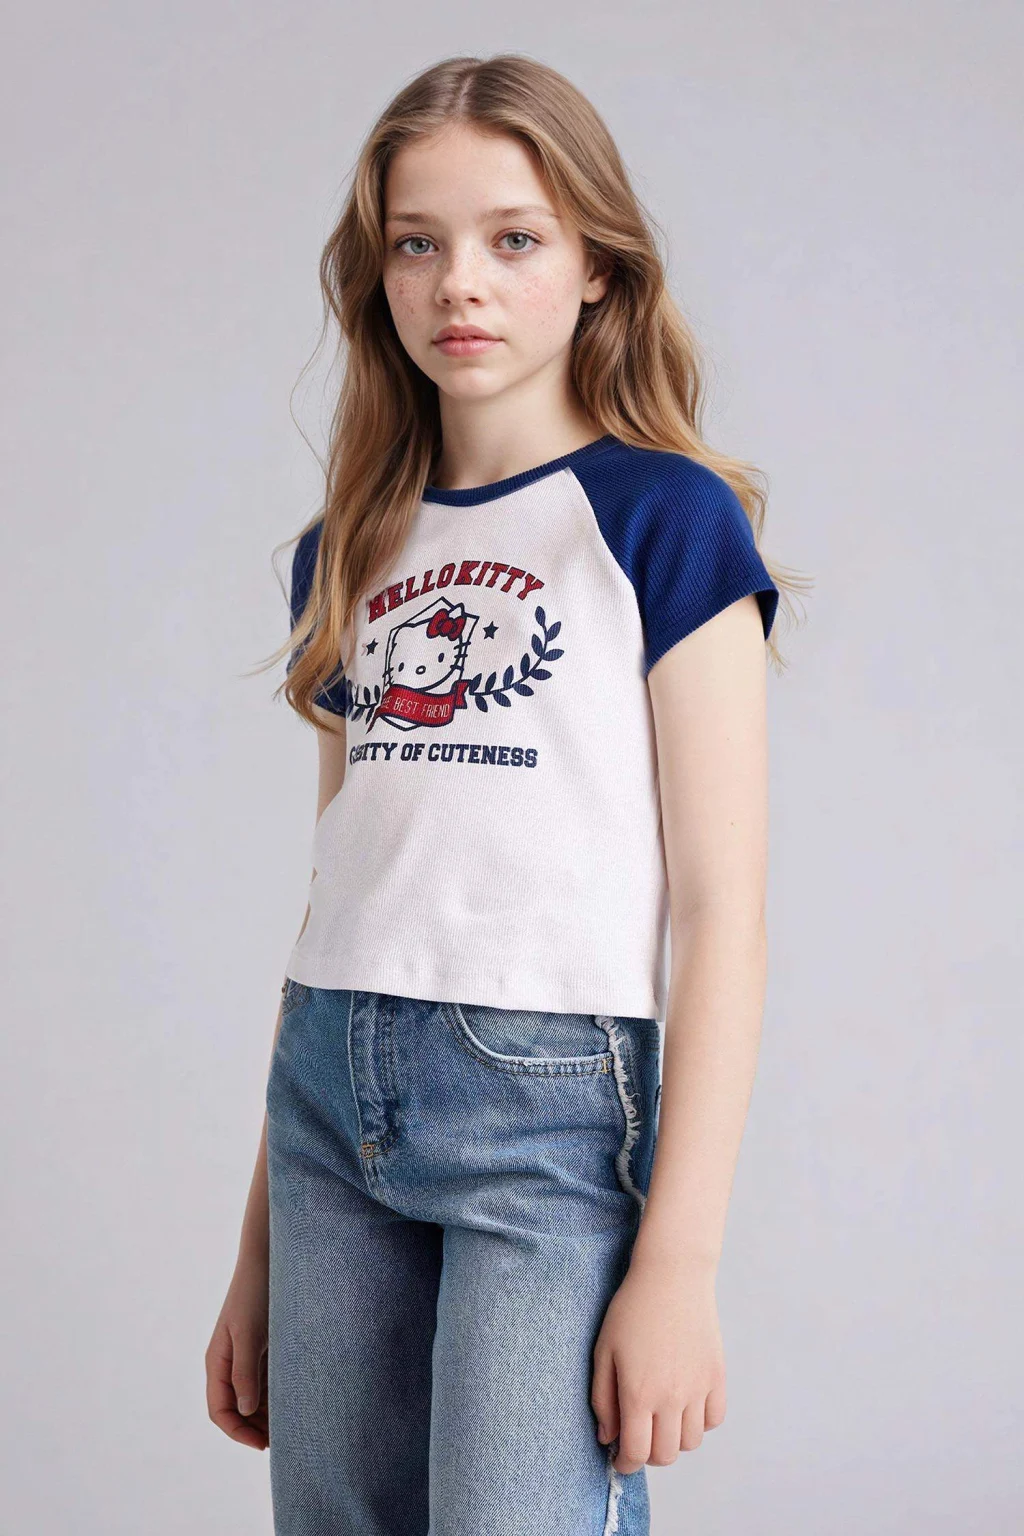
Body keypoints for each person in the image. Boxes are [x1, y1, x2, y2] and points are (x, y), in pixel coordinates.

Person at [205, 52, 794, 1536]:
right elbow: (339, 894)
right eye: (419, 242)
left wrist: (679, 1262)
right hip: (327, 1098)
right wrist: (258, 1248)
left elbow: (723, 912)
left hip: (546, 1116)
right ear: (379, 275)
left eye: (514, 238)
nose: (459, 282)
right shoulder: (349, 547)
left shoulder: (664, 523)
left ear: (597, 265)